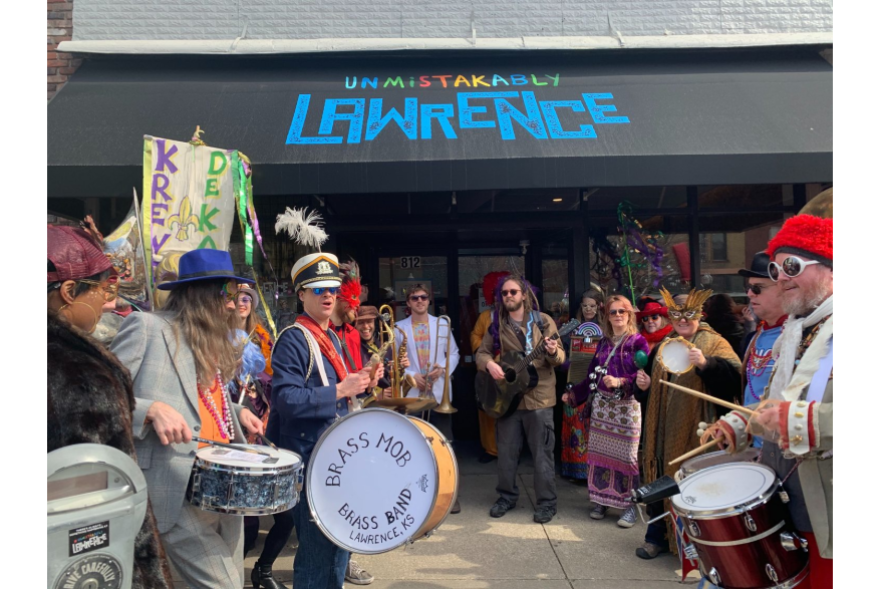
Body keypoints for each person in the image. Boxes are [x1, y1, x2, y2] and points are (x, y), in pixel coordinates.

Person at [111, 249, 266, 589]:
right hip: (174, 487)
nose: (231, 304)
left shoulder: (211, 339)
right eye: (225, 294)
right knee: (225, 585)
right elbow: (102, 396)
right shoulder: (146, 328)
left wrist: (238, 413)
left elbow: (204, 401)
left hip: (223, 487)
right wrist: (149, 410)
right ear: (200, 295)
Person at [711, 214, 833, 588]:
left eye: (793, 265)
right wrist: (741, 423)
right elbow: (772, 400)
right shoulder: (795, 330)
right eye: (779, 267)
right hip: (790, 502)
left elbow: (797, 413)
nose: (781, 276)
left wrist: (804, 422)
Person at [47, 225, 172, 589]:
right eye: (104, 289)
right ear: (69, 292)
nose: (110, 302)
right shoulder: (77, 372)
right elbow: (97, 508)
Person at [267, 252, 382, 589]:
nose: (328, 294)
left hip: (337, 460)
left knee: (339, 550)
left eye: (332, 287)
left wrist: (361, 380)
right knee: (318, 558)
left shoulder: (330, 336)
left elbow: (339, 388)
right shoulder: (294, 338)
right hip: (312, 461)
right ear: (300, 294)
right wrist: (340, 389)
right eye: (317, 289)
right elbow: (285, 399)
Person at [635, 288, 742, 560]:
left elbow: (735, 380)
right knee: (659, 473)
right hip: (661, 429)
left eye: (688, 314)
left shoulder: (715, 343)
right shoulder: (664, 344)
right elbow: (651, 384)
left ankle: (696, 543)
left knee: (693, 482)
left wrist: (707, 364)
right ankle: (656, 536)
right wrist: (644, 387)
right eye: (676, 314)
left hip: (696, 431)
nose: (682, 320)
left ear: (700, 314)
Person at [478, 276, 565, 525]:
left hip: (539, 398)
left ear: (524, 294)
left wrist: (551, 351)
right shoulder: (497, 323)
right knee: (506, 452)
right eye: (504, 293)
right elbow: (482, 353)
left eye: (513, 292)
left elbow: (560, 357)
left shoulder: (543, 321)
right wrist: (490, 365)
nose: (509, 296)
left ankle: (547, 503)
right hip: (508, 398)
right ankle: (506, 497)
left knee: (542, 454)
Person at [564, 296, 650, 528]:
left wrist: (622, 381)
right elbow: (592, 374)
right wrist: (573, 395)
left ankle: (629, 505)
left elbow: (644, 375)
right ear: (607, 316)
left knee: (627, 458)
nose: (618, 315)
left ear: (630, 314)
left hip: (626, 409)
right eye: (613, 312)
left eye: (622, 311)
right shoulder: (603, 343)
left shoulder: (638, 342)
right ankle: (602, 500)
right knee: (600, 455)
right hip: (602, 408)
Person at [397, 284, 462, 514]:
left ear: (429, 300)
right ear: (408, 302)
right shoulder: (398, 328)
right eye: (415, 298)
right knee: (414, 446)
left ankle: (449, 495)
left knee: (444, 445)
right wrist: (412, 376)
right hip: (414, 394)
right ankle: (416, 496)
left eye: (424, 297)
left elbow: (454, 354)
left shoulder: (442, 324)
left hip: (438, 392)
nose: (420, 301)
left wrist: (442, 369)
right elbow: (394, 364)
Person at [561, 289, 606, 481]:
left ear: (599, 306)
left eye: (592, 305)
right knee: (574, 426)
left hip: (596, 383)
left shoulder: (605, 328)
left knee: (592, 426)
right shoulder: (572, 327)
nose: (588, 309)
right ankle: (573, 470)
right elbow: (561, 354)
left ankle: (591, 471)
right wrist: (568, 363)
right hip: (575, 380)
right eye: (585, 305)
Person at [738, 252, 787, 408]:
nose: (750, 293)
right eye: (749, 287)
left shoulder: (805, 336)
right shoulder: (754, 337)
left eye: (758, 288)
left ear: (784, 288)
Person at [470, 272, 508, 463]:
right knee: (486, 412)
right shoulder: (485, 316)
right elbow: (475, 336)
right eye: (495, 294)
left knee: (508, 413)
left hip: (508, 373)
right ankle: (490, 449)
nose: (497, 298)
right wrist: (484, 353)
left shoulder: (516, 317)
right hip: (487, 372)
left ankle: (509, 451)